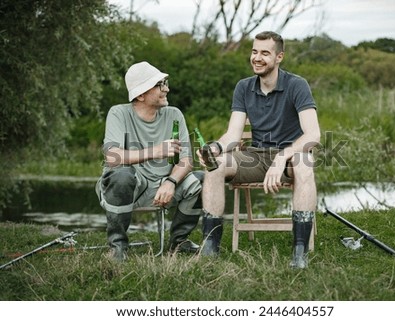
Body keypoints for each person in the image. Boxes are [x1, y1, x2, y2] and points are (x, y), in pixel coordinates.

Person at [197, 31, 321, 269]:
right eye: (255, 51)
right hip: (255, 156)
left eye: (265, 53)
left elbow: (313, 135)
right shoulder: (243, 87)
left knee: (305, 165)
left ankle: (299, 253)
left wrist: (282, 157)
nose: (257, 57)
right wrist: (215, 147)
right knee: (215, 166)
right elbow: (233, 135)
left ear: (279, 57)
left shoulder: (297, 85)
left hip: (291, 160)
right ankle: (210, 249)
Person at [96, 61, 203, 261]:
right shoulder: (118, 113)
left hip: (164, 186)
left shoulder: (174, 114)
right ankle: (117, 246)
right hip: (129, 186)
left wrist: (171, 182)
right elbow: (113, 157)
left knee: (203, 180)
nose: (167, 89)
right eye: (160, 85)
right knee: (121, 174)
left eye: (165, 83)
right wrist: (157, 150)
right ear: (140, 94)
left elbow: (186, 160)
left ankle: (179, 242)